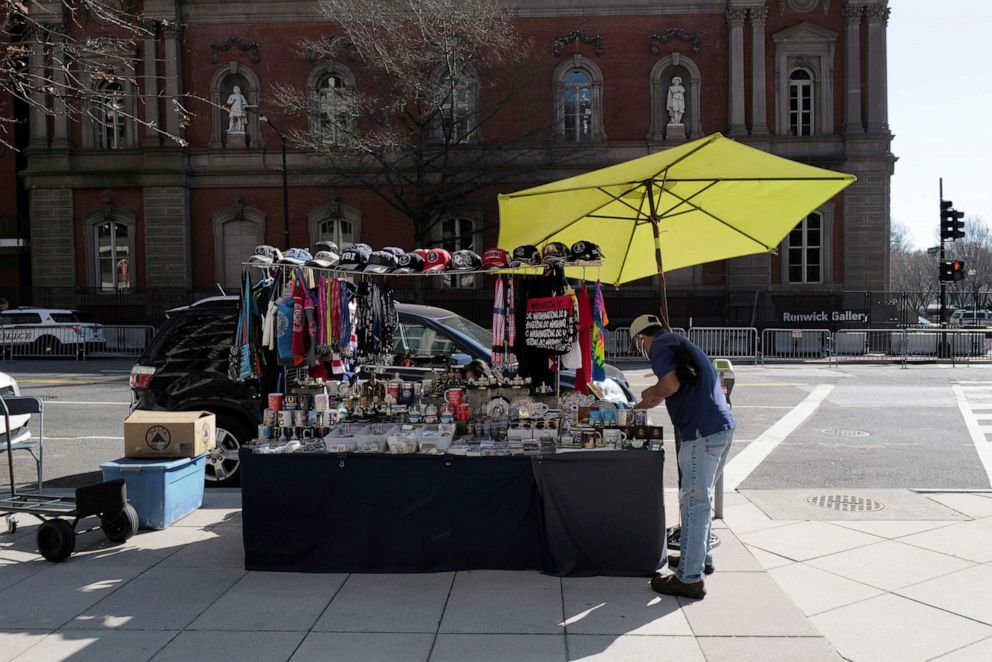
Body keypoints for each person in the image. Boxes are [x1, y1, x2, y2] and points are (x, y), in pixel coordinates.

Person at [630, 314, 734, 599]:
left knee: (694, 502)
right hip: (719, 428)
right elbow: (667, 391)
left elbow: (669, 386)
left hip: (701, 431)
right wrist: (638, 408)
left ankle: (689, 578)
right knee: (701, 499)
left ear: (642, 338)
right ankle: (699, 558)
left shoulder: (660, 345)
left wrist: (649, 391)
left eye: (638, 344)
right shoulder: (676, 341)